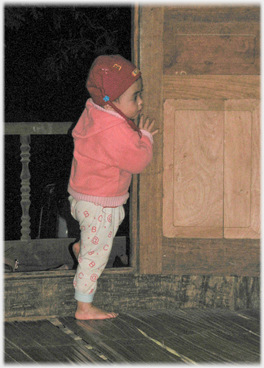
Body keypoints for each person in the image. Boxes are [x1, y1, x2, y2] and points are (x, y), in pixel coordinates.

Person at [68, 54, 158, 320]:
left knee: (93, 247)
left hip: (82, 198)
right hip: (100, 205)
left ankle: (83, 248)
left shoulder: (94, 112)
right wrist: (146, 138)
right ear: (112, 101)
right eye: (135, 98)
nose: (141, 103)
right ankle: (84, 307)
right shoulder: (114, 129)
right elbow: (137, 160)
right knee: (96, 258)